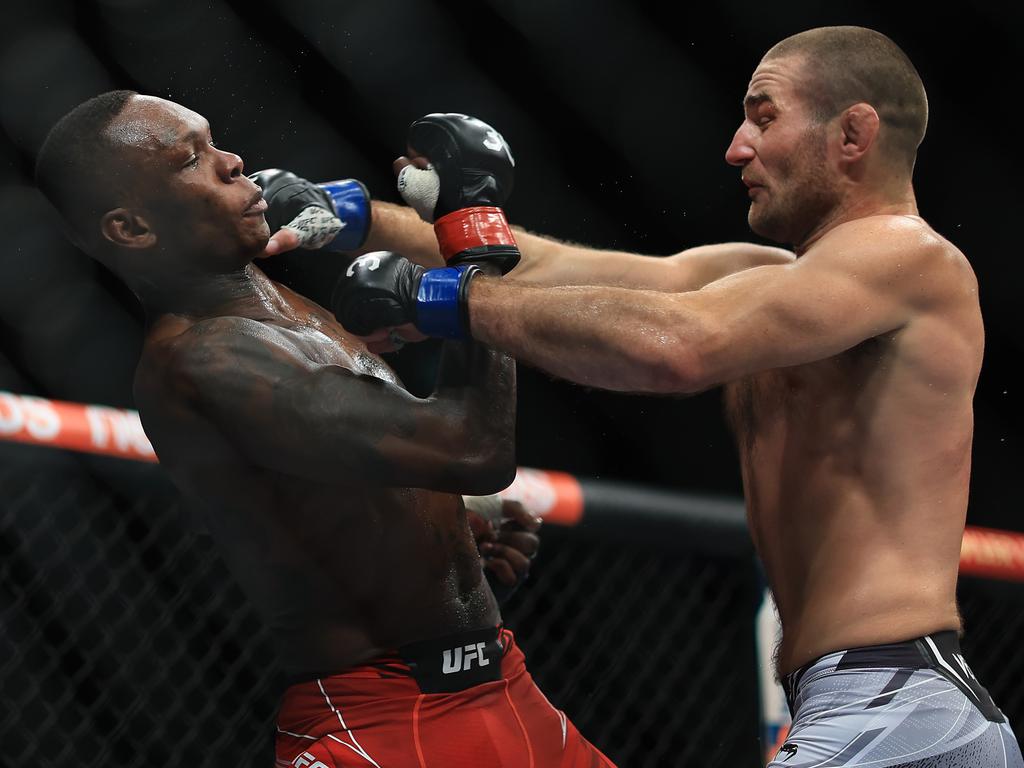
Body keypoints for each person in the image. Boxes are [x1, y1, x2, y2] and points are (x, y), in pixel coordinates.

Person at [337, 27, 1024, 766]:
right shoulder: (766, 278)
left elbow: (678, 346)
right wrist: (353, 219)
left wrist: (443, 299)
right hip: (878, 703)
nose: (736, 148)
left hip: (892, 706)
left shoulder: (911, 259)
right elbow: (561, 274)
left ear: (853, 133)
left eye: (764, 116)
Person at [33, 90, 618, 768]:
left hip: (502, 684)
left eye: (215, 139)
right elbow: (473, 447)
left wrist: (448, 541)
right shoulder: (204, 358)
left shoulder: (284, 307)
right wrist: (473, 233)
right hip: (385, 726)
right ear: (131, 228)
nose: (232, 162)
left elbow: (389, 476)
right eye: (191, 159)